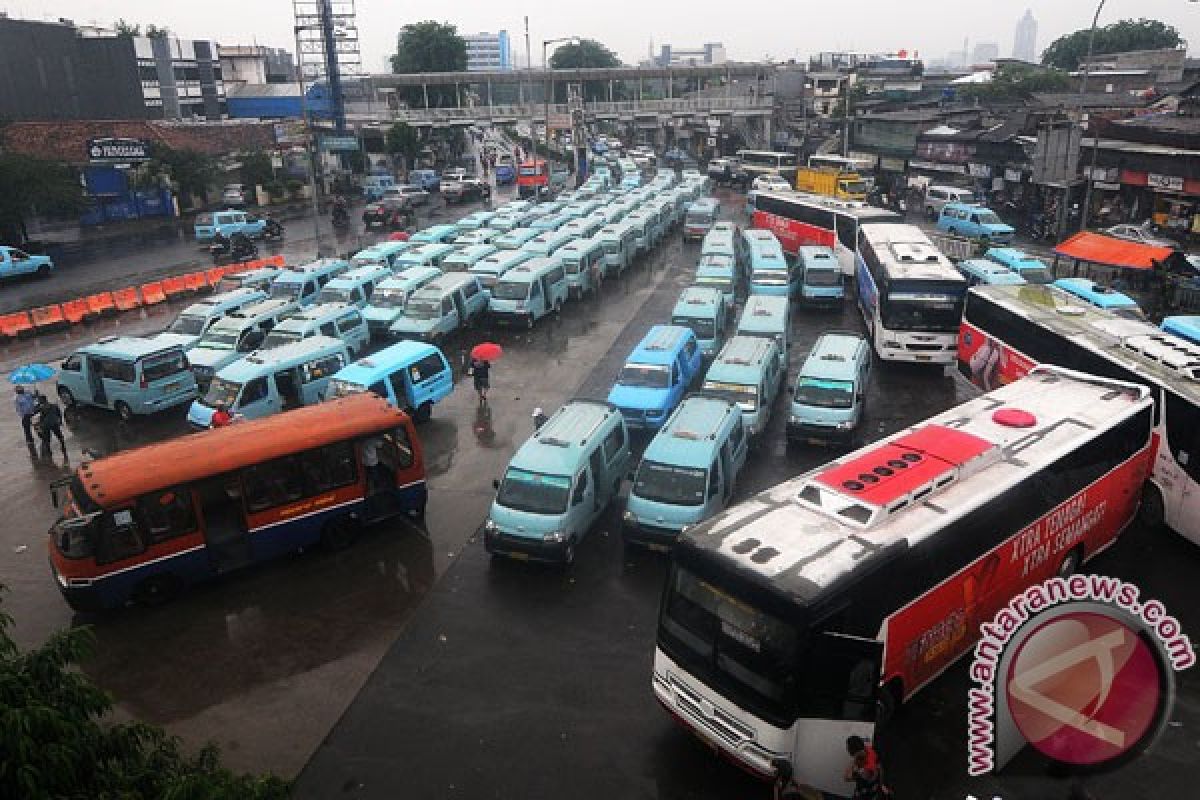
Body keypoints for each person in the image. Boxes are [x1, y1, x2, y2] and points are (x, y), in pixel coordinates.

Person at [844, 735, 890, 799]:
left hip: (864, 794)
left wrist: (853, 762)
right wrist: (881, 784)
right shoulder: (871, 751)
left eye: (848, 747)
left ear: (851, 750)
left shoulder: (863, 770)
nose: (847, 749)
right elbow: (880, 768)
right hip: (875, 788)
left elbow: (847, 778)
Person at [33, 392, 67, 461]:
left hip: (46, 425)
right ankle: (63, 447)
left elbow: (33, 412)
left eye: (39, 400)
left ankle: (49, 452)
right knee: (60, 436)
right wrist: (60, 421)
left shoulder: (40, 407)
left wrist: (37, 405)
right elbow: (59, 414)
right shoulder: (54, 405)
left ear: (41, 401)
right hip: (54, 424)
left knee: (47, 439)